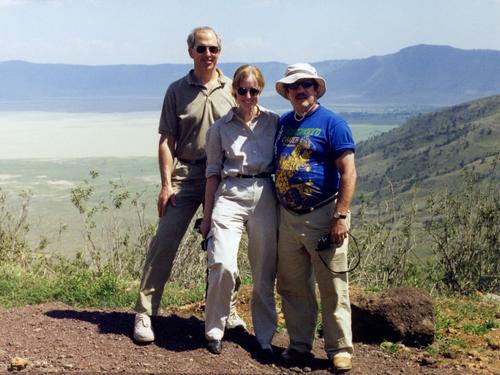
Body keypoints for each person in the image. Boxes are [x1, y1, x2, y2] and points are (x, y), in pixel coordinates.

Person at [133, 26, 245, 343]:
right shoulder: (177, 90)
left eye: (213, 49)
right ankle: (144, 312)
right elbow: (166, 141)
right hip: (186, 175)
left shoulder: (233, 89)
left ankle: (227, 311)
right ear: (190, 51)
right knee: (164, 244)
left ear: (220, 51)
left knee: (223, 248)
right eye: (201, 48)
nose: (207, 54)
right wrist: (166, 185)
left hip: (223, 179)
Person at [274, 63, 357, 372]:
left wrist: (340, 216)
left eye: (306, 84)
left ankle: (339, 349)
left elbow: (348, 172)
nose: (300, 90)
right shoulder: (283, 124)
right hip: (288, 218)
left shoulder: (333, 123)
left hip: (324, 215)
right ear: (287, 93)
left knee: (333, 285)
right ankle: (298, 344)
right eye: (294, 86)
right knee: (293, 285)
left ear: (316, 88)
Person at [200, 65, 279, 358]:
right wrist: (207, 220)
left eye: (253, 90)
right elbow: (211, 174)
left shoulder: (274, 122)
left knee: (264, 268)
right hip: (230, 192)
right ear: (234, 91)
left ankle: (265, 337)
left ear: (261, 90)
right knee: (222, 263)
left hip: (264, 192)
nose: (248, 96)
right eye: (242, 90)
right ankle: (214, 330)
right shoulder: (220, 128)